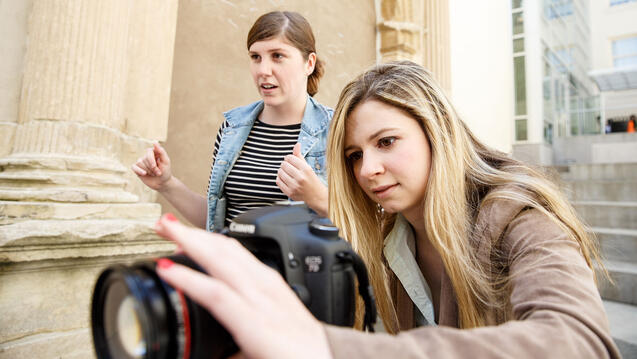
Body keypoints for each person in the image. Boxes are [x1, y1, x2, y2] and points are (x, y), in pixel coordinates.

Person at [153, 61, 621, 358]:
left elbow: (580, 343)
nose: (368, 169)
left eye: (387, 142)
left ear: (437, 132)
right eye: (355, 155)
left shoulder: (521, 219)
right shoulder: (387, 239)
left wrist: (325, 348)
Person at [132, 11, 332, 232]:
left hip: (295, 265)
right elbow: (215, 221)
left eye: (277, 56)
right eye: (256, 57)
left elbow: (366, 221)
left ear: (309, 63)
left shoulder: (335, 129)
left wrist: (319, 198)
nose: (263, 70)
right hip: (230, 263)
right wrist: (166, 184)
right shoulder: (232, 128)